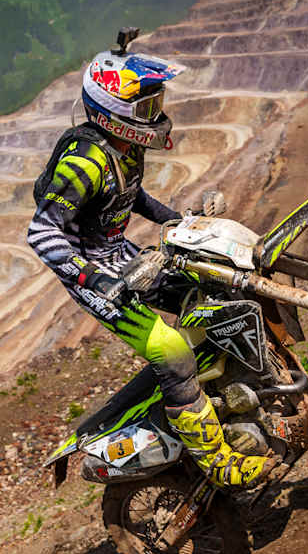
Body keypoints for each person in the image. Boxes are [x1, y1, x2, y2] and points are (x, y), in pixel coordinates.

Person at [27, 31, 275, 488]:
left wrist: (181, 222)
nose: (156, 114)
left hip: (122, 254)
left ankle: (223, 398)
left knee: (217, 287)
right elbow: (41, 233)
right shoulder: (82, 164)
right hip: (94, 273)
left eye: (156, 102)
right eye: (145, 108)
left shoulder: (124, 147)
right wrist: (93, 279)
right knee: (172, 349)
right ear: (113, 111)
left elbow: (131, 194)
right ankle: (217, 462)